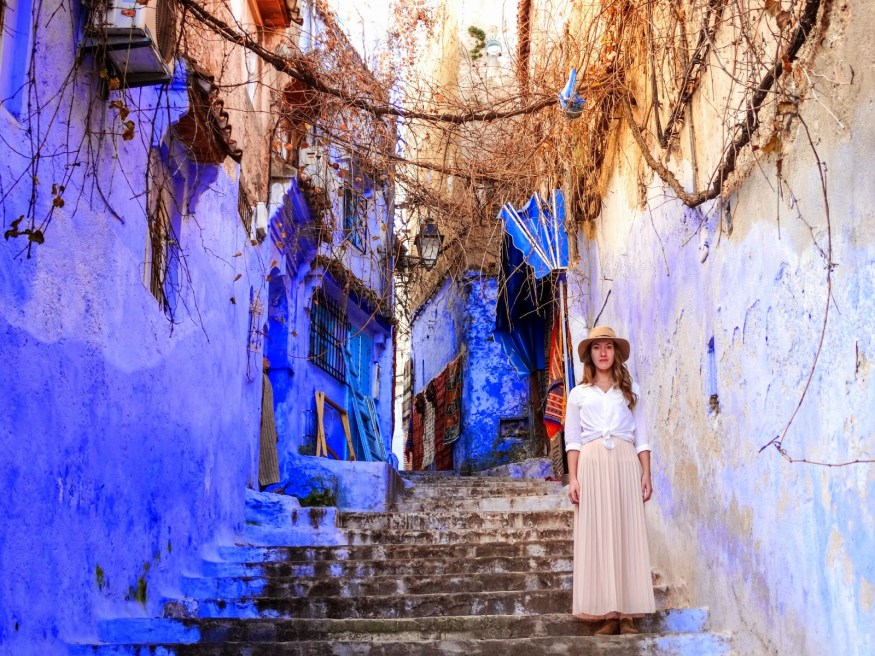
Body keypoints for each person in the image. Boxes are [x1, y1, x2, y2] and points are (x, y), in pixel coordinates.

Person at [564, 325, 655, 635]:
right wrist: (573, 478)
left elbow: (642, 435)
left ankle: (628, 614)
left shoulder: (631, 391)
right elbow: (573, 440)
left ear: (615, 353)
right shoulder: (578, 394)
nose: (603, 352)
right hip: (590, 465)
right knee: (599, 534)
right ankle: (608, 613)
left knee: (627, 532)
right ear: (590, 354)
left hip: (626, 463)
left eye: (608, 347)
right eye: (596, 347)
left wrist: (647, 473)